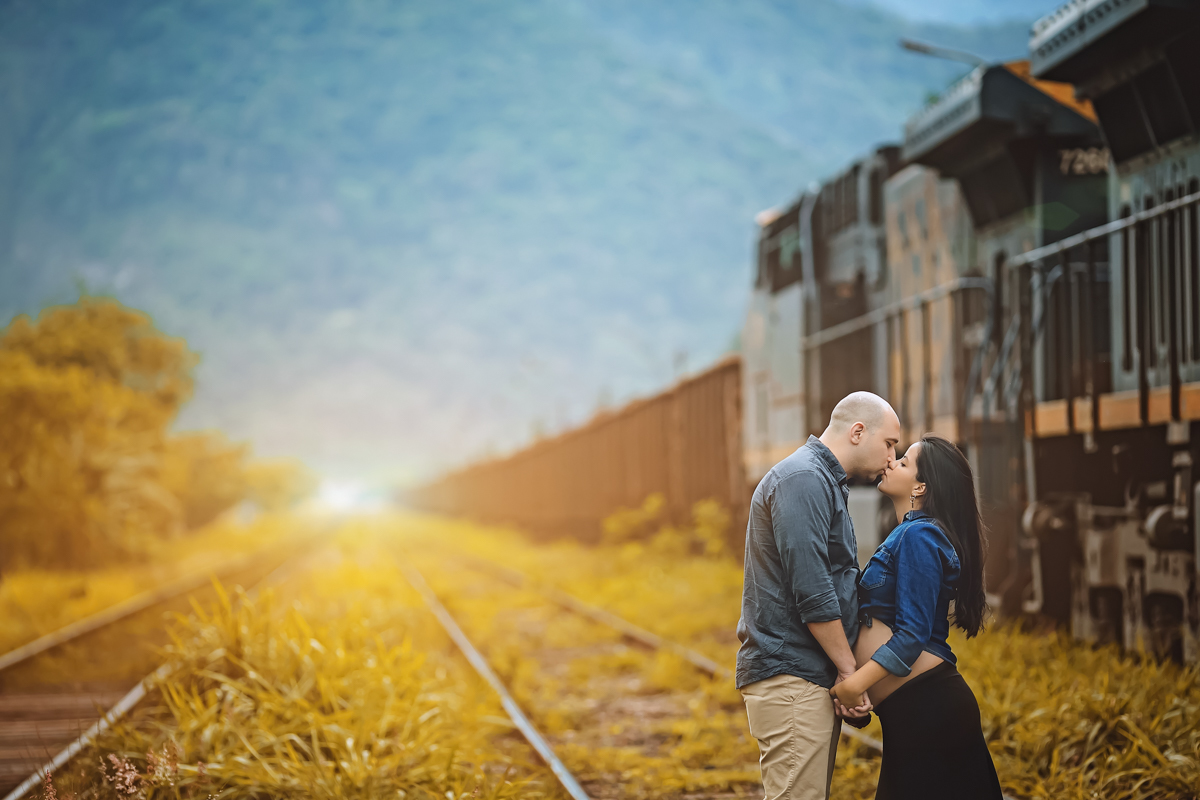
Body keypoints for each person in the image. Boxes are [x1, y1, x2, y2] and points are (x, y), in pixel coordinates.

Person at [737, 392, 901, 800]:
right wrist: (849, 671)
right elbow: (812, 591)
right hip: (793, 676)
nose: (892, 456)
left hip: (806, 675)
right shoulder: (804, 480)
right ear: (858, 432)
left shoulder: (820, 480)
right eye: (890, 443)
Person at [831, 434, 1002, 800]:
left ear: (921, 486)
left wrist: (855, 684)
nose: (892, 462)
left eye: (904, 461)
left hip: (929, 708)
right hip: (915, 710)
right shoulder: (911, 534)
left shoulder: (918, 535)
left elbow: (912, 634)